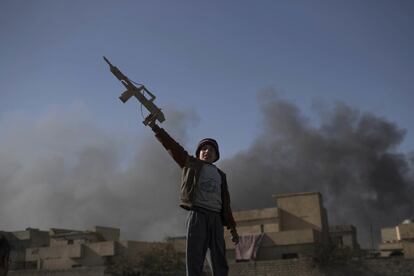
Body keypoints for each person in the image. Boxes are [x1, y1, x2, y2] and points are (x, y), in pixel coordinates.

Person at [149, 122, 239, 276]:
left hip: (216, 219)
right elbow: (173, 147)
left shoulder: (220, 175)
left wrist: (232, 228)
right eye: (204, 149)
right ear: (198, 153)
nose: (207, 152)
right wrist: (157, 129)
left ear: (216, 156)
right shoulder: (191, 164)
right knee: (195, 258)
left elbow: (226, 203)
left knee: (219, 259)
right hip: (198, 215)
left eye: (211, 150)